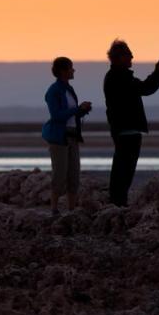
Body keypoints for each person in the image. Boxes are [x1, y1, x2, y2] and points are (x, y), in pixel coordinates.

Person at [103, 39, 159, 206]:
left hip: (126, 131)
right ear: (119, 58)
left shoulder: (119, 77)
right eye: (128, 54)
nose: (132, 57)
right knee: (123, 170)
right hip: (126, 131)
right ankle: (117, 203)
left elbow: (144, 88)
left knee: (124, 169)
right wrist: (158, 72)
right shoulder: (119, 78)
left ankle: (118, 203)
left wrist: (158, 72)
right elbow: (145, 88)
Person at [41, 56, 92, 214]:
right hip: (59, 138)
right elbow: (57, 115)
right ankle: (54, 209)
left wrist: (82, 110)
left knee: (74, 174)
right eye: (71, 68)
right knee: (60, 173)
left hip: (72, 136)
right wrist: (77, 110)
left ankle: (71, 209)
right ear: (63, 71)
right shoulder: (53, 91)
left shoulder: (69, 89)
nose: (73, 70)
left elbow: (70, 114)